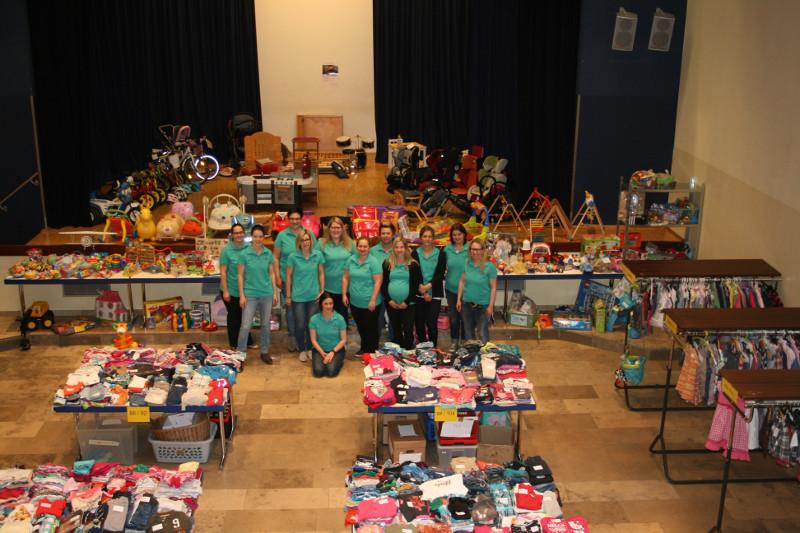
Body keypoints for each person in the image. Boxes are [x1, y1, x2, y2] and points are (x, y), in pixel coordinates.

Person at [273, 207, 317, 353]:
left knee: (307, 312)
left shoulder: (308, 234)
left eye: (297, 218)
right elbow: (276, 257)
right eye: (292, 219)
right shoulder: (282, 236)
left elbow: (316, 254)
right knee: (291, 309)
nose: (295, 221)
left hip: (307, 281)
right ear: (288, 220)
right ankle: (293, 338)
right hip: (288, 280)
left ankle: (307, 339)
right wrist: (278, 276)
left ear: (301, 219)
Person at [236, 225, 279, 364]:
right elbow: (240, 276)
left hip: (266, 294)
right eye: (255, 236)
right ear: (251, 237)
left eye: (261, 236)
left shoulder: (268, 253)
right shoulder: (244, 254)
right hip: (250, 295)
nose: (258, 239)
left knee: (266, 324)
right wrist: (242, 295)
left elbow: (271, 273)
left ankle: (264, 352)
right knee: (245, 326)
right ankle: (240, 355)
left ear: (263, 238)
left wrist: (274, 293)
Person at [285, 228, 325, 363]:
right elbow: (288, 277)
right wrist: (288, 295)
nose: (305, 242)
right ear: (299, 242)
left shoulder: (317, 255)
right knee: (300, 324)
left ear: (311, 240)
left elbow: (321, 274)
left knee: (311, 324)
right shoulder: (293, 257)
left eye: (307, 239)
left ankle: (310, 348)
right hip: (298, 297)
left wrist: (322, 291)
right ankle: (302, 349)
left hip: (314, 296)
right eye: (302, 240)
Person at [342, 236, 383, 355]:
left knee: (371, 328)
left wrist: (373, 300)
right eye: (360, 246)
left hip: (370, 301)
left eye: (365, 246)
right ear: (357, 247)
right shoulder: (351, 260)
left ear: (369, 247)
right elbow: (345, 278)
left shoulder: (373, 262)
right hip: (355, 301)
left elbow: (378, 282)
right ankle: (364, 348)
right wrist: (344, 294)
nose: (362, 248)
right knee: (361, 327)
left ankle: (372, 351)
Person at [381, 236, 422, 350]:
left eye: (401, 247)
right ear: (393, 248)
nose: (399, 250)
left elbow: (415, 285)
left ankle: (408, 352)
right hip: (392, 304)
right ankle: (398, 353)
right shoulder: (387, 263)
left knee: (408, 330)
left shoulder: (413, 264)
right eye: (397, 247)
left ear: (406, 248)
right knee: (396, 329)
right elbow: (384, 284)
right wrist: (389, 300)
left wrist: (407, 302)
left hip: (408, 304)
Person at [218, 223, 254, 350]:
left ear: (244, 233)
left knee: (246, 317)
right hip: (231, 290)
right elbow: (223, 272)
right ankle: (234, 343)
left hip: (247, 290)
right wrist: (226, 291)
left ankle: (247, 341)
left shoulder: (250, 247)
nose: (239, 235)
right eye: (236, 233)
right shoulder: (227, 251)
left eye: (241, 232)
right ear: (232, 235)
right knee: (234, 318)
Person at [457, 238, 498, 343]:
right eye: (473, 249)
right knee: (468, 332)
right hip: (466, 304)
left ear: (483, 250)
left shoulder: (489, 266)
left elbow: (493, 288)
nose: (475, 252)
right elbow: (462, 282)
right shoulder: (466, 263)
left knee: (482, 333)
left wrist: (491, 306)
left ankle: (485, 355)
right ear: (470, 250)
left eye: (478, 249)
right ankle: (471, 355)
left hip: (483, 305)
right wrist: (458, 300)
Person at [411, 225, 446, 347]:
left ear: (433, 238)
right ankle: (422, 348)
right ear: (420, 238)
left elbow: (440, 274)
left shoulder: (440, 254)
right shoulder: (415, 254)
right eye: (425, 236)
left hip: (435, 293)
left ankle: (433, 348)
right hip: (419, 292)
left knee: (431, 323)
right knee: (419, 322)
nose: (427, 239)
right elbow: (414, 274)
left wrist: (428, 289)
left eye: (429, 236)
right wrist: (423, 291)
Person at [317, 217, 354, 320]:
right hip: (327, 289)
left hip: (345, 289)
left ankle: (343, 336)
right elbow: (315, 262)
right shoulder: (321, 243)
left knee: (342, 318)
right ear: (328, 229)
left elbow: (357, 261)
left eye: (338, 227)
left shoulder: (350, 243)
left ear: (342, 229)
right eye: (333, 227)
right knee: (327, 318)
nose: (336, 230)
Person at [308, 292, 348, 378]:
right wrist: (322, 353)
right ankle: (327, 361)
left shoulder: (339, 319)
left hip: (336, 350)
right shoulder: (314, 319)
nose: (329, 306)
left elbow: (343, 340)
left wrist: (332, 353)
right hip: (319, 349)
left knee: (331, 372)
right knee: (318, 373)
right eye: (326, 304)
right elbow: (313, 340)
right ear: (321, 304)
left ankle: (337, 361)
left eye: (331, 303)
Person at [443, 223, 468, 349]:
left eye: (459, 234)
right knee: (453, 317)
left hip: (467, 289)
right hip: (451, 289)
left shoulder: (470, 248)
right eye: (454, 235)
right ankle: (454, 341)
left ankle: (464, 341)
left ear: (464, 235)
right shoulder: (447, 249)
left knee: (465, 317)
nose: (457, 237)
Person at [370, 221, 396, 343]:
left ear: (393, 234)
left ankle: (393, 342)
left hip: (393, 289)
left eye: (388, 233)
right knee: (377, 318)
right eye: (383, 233)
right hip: (378, 290)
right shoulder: (373, 251)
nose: (385, 235)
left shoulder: (398, 249)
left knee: (394, 318)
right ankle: (375, 342)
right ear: (379, 234)